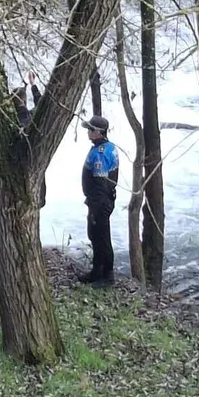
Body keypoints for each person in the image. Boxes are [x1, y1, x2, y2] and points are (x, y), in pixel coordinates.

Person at [79, 115, 119, 285]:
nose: (87, 132)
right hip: (103, 200)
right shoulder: (108, 147)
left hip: (100, 202)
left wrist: (95, 209)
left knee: (100, 236)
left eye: (90, 129)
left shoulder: (100, 155)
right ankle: (98, 270)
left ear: (98, 132)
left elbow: (101, 185)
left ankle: (105, 275)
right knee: (98, 236)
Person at [13, 70, 46, 207]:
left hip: (15, 178)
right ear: (25, 101)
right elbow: (42, 106)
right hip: (35, 174)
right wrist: (33, 85)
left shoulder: (7, 122)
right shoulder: (32, 119)